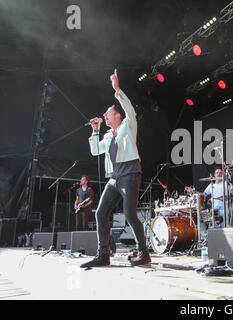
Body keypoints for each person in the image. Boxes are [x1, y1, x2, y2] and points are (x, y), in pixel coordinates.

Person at [80, 69, 150, 268]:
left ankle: (143, 252)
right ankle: (103, 255)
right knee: (100, 213)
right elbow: (95, 151)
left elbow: (130, 110)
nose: (105, 115)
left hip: (130, 174)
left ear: (118, 116)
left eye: (108, 113)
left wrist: (117, 90)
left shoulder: (128, 125)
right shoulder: (108, 136)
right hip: (115, 178)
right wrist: (95, 131)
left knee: (129, 214)